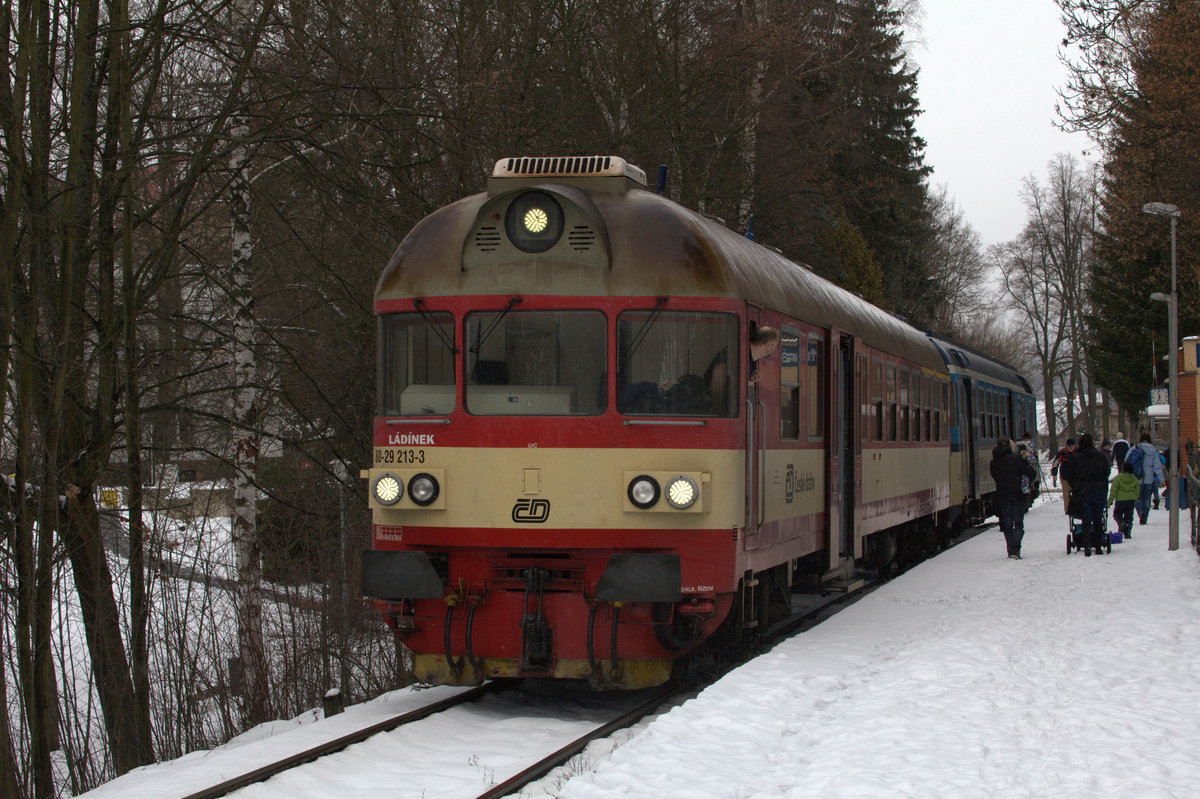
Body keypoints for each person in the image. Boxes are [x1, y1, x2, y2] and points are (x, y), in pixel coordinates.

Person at [705, 324, 779, 413]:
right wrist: (716, 407)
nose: (774, 349)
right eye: (774, 346)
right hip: (711, 404)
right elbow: (718, 373)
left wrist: (750, 377)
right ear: (768, 345)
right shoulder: (735, 353)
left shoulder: (752, 359)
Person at [1061, 433, 1113, 556]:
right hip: (1099, 490)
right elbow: (1107, 471)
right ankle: (1098, 546)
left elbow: (1067, 474)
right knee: (1098, 518)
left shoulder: (1075, 458)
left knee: (1086, 518)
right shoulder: (1100, 457)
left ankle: (1087, 545)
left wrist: (1076, 486)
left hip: (1083, 492)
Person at [990, 437, 1037, 559]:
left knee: (1007, 524)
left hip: (1003, 495)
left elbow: (995, 477)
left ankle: (1010, 548)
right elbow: (1031, 473)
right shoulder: (1017, 459)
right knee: (1018, 524)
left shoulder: (994, 462)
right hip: (1018, 495)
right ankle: (1016, 549)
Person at [1127, 432, 1165, 525]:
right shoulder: (1153, 450)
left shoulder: (1134, 448)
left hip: (1137, 478)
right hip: (1149, 479)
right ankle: (1145, 517)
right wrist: (1161, 479)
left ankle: (1140, 512)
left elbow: (1127, 461)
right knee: (1146, 499)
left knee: (1136, 498)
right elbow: (1157, 466)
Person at [1108, 461, 1139, 539]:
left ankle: (1121, 522)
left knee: (1117, 513)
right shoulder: (1134, 478)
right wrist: (1135, 499)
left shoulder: (1118, 478)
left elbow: (1113, 491)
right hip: (1131, 500)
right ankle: (1127, 532)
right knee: (1129, 516)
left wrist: (1109, 502)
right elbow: (1137, 490)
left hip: (1120, 500)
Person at [1050, 438, 1077, 512]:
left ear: (1074, 446)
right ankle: (1068, 510)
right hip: (1065, 477)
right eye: (1069, 446)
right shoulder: (1062, 453)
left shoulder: (1077, 452)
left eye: (1072, 446)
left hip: (1076, 477)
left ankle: (1076, 509)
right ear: (1066, 446)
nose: (1070, 447)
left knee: (1076, 494)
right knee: (1066, 495)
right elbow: (1055, 463)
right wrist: (1054, 474)